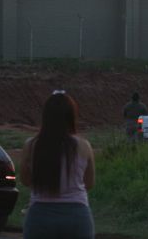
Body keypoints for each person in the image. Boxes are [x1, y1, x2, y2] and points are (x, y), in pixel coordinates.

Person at [20, 91, 95, 239]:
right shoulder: (84, 146)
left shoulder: (31, 145)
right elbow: (89, 183)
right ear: (71, 116)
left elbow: (25, 180)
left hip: (40, 216)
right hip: (77, 216)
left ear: (46, 116)